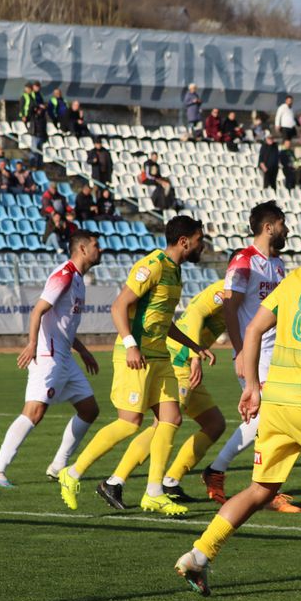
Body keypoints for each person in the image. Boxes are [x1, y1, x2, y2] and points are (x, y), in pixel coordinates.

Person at [175, 210, 301, 597]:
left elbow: (253, 329)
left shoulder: (298, 276)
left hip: (277, 397)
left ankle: (198, 555)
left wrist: (252, 387)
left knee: (261, 489)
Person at [58, 216, 210, 516]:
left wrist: (194, 347)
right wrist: (130, 345)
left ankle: (153, 492)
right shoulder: (152, 265)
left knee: (171, 418)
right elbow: (119, 306)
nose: (201, 245)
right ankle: (72, 473)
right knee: (130, 422)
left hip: (158, 356)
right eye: (199, 239)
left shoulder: (176, 271)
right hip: (136, 355)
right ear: (184, 242)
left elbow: (164, 322)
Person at [97, 276, 230, 509]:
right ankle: (115, 481)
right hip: (181, 360)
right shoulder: (224, 290)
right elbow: (196, 312)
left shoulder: (243, 294)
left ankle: (171, 480)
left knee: (214, 423)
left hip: (187, 362)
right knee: (163, 424)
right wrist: (193, 354)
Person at [0, 231, 104, 488]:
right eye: (96, 245)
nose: (100, 249)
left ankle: (59, 466)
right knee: (35, 411)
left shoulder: (80, 279)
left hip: (65, 357)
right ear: (82, 249)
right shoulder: (65, 275)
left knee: (89, 409)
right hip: (48, 355)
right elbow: (38, 310)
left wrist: (82, 351)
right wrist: (32, 345)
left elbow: (63, 325)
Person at [200, 202, 298, 512]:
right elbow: (230, 306)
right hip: (254, 354)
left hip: (277, 354)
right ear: (269, 227)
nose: (286, 229)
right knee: (269, 417)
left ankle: (229, 475)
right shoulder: (244, 261)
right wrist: (240, 350)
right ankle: (241, 480)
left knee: (270, 421)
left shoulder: (278, 264)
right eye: (282, 223)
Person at [28, 102, 48, 169]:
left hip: (41, 136)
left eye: (41, 110)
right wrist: (38, 105)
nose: (40, 111)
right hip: (35, 135)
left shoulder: (43, 118)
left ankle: (39, 166)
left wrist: (45, 136)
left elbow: (45, 128)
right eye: (39, 109)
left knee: (40, 153)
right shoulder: (33, 116)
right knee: (33, 151)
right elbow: (31, 108)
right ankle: (32, 165)